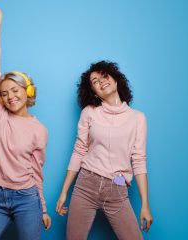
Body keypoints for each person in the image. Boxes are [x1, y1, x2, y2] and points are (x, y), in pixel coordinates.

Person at [0, 6, 51, 240]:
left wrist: (43, 208)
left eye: (15, 90)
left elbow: (37, 171)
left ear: (27, 92)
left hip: (27, 199)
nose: (9, 97)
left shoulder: (39, 130)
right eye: (4, 93)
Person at [56, 60, 153, 239]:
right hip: (86, 185)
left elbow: (139, 161)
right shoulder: (89, 112)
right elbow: (79, 151)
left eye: (104, 76)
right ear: (94, 93)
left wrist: (145, 204)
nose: (101, 82)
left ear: (116, 80)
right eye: (95, 81)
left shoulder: (137, 118)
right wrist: (63, 192)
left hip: (116, 189)